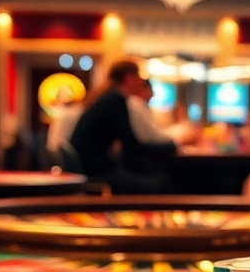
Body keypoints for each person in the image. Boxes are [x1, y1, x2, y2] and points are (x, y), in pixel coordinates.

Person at [69, 59, 177, 194]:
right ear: (128, 77)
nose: (140, 81)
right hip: (96, 173)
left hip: (90, 169)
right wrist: (172, 146)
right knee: (161, 184)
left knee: (153, 177)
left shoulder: (109, 98)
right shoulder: (115, 100)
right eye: (138, 76)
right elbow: (132, 146)